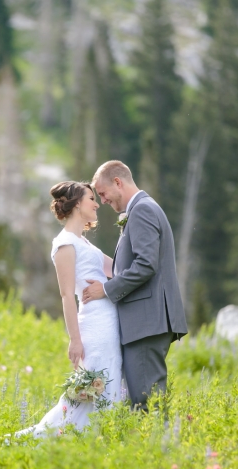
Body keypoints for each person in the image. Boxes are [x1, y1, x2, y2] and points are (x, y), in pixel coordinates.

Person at [15, 181, 123, 437]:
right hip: (94, 326)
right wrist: (75, 340)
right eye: (90, 198)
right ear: (76, 204)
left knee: (110, 384)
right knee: (92, 390)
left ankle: (98, 439)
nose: (97, 203)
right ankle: (53, 438)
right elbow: (66, 295)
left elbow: (118, 269)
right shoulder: (65, 243)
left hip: (109, 323)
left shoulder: (84, 243)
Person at [82, 160, 188, 412]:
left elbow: (145, 264)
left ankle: (155, 449)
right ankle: (154, 446)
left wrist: (105, 290)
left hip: (146, 323)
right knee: (146, 398)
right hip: (147, 322)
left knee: (146, 402)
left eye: (104, 193)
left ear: (118, 182)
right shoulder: (142, 208)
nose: (103, 201)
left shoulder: (142, 210)